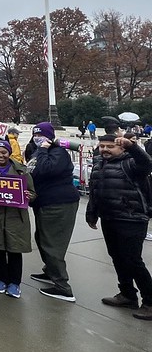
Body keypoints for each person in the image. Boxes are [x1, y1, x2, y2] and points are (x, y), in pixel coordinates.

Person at [86, 134, 152, 320]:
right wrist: (92, 213)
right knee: (117, 257)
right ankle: (127, 294)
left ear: (121, 149)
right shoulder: (99, 164)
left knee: (132, 260)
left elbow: (147, 163)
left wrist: (132, 146)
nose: (105, 149)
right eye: (102, 146)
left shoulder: (131, 164)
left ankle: (149, 301)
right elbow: (95, 190)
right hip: (109, 218)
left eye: (110, 146)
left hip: (132, 219)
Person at [27, 121, 80, 302]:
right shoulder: (38, 152)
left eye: (41, 134)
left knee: (52, 244)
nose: (37, 137)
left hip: (58, 203)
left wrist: (42, 150)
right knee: (42, 239)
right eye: (35, 134)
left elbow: (46, 169)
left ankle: (63, 287)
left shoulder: (58, 152)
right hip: (44, 203)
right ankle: (49, 272)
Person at [0, 139, 35, 299]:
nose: (0, 155)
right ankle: (2, 279)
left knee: (15, 250)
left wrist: (28, 196)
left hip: (15, 217)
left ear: (9, 153)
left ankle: (15, 283)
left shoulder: (21, 171)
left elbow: (33, 193)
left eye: (4, 152)